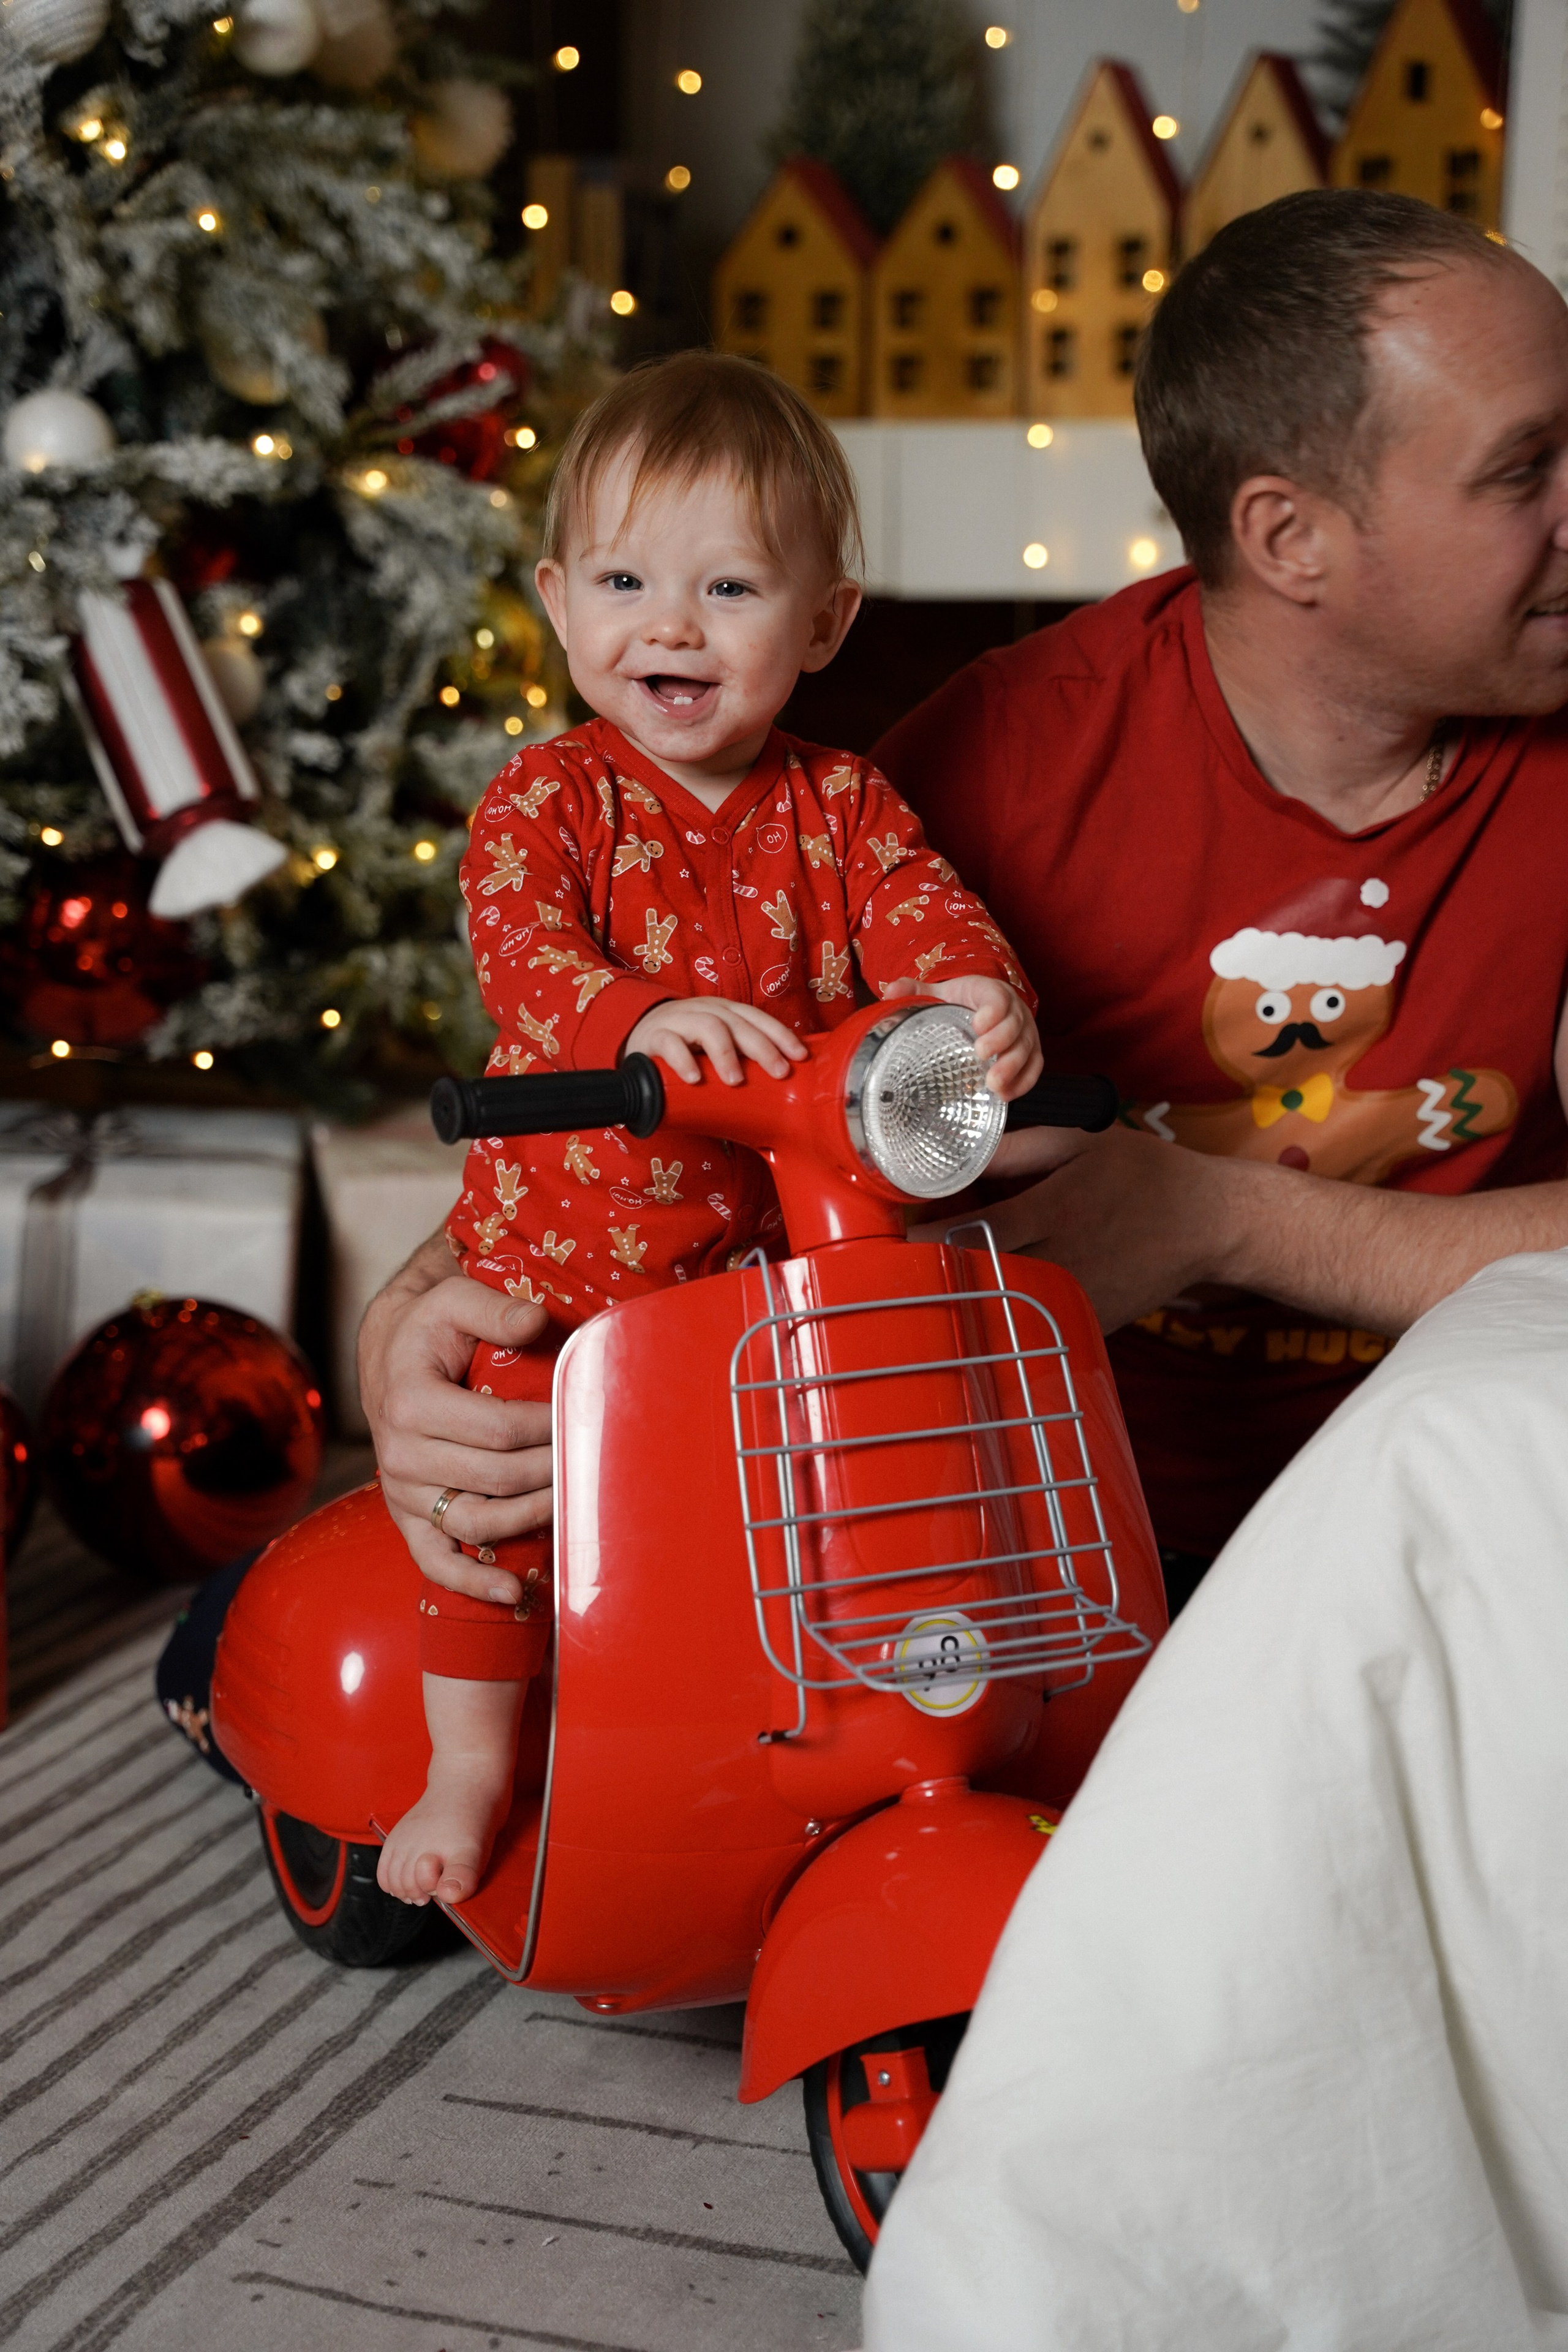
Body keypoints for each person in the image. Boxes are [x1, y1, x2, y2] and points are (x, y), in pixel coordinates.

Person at [361, 186, 1568, 1613]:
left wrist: (1218, 1220)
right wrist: (416, 1318)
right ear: (1285, 536)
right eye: (1520, 470)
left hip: (1460, 1503)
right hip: (1016, 1517)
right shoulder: (982, 764)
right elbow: (725, 1086)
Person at [374, 352, 1043, 1908]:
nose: (667, 625)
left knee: (855, 1495)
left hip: (775, 1277)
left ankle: (820, 1737)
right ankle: (468, 1770)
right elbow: (523, 954)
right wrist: (630, 1018)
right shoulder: (546, 800)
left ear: (823, 624)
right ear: (556, 601)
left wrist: (975, 996)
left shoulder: (846, 808)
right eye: (622, 579)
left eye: (729, 586)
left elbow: (921, 918)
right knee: (499, 1518)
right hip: (566, 1262)